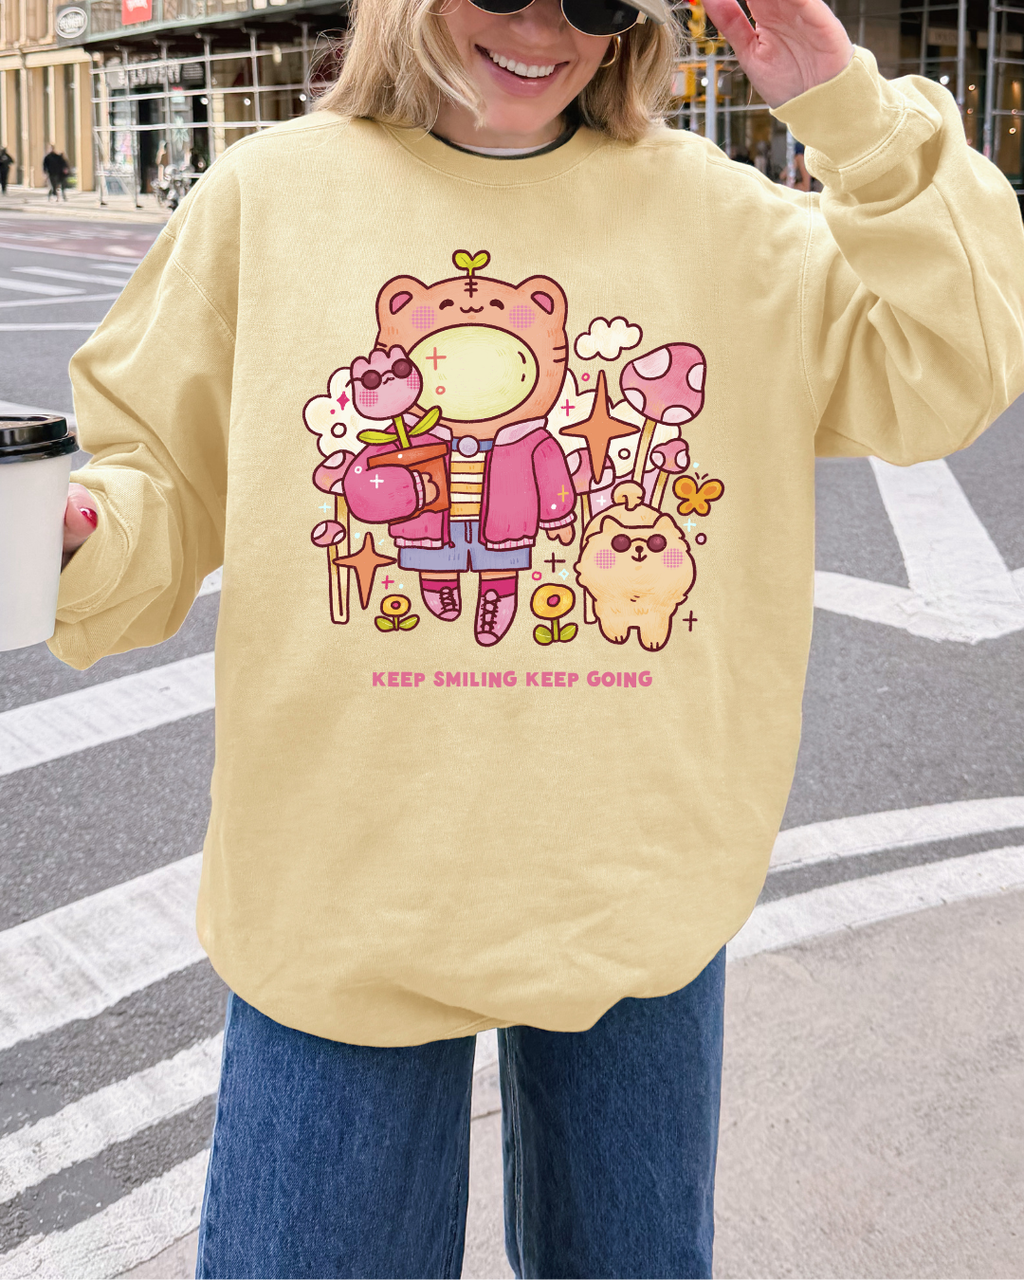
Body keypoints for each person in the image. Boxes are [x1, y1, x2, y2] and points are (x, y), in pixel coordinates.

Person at [52, 0, 1024, 1275]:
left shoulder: (724, 220)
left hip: (631, 888)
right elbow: (156, 484)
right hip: (342, 891)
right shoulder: (267, 198)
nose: (539, 29)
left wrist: (840, 99)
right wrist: (66, 541)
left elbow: (953, 363)